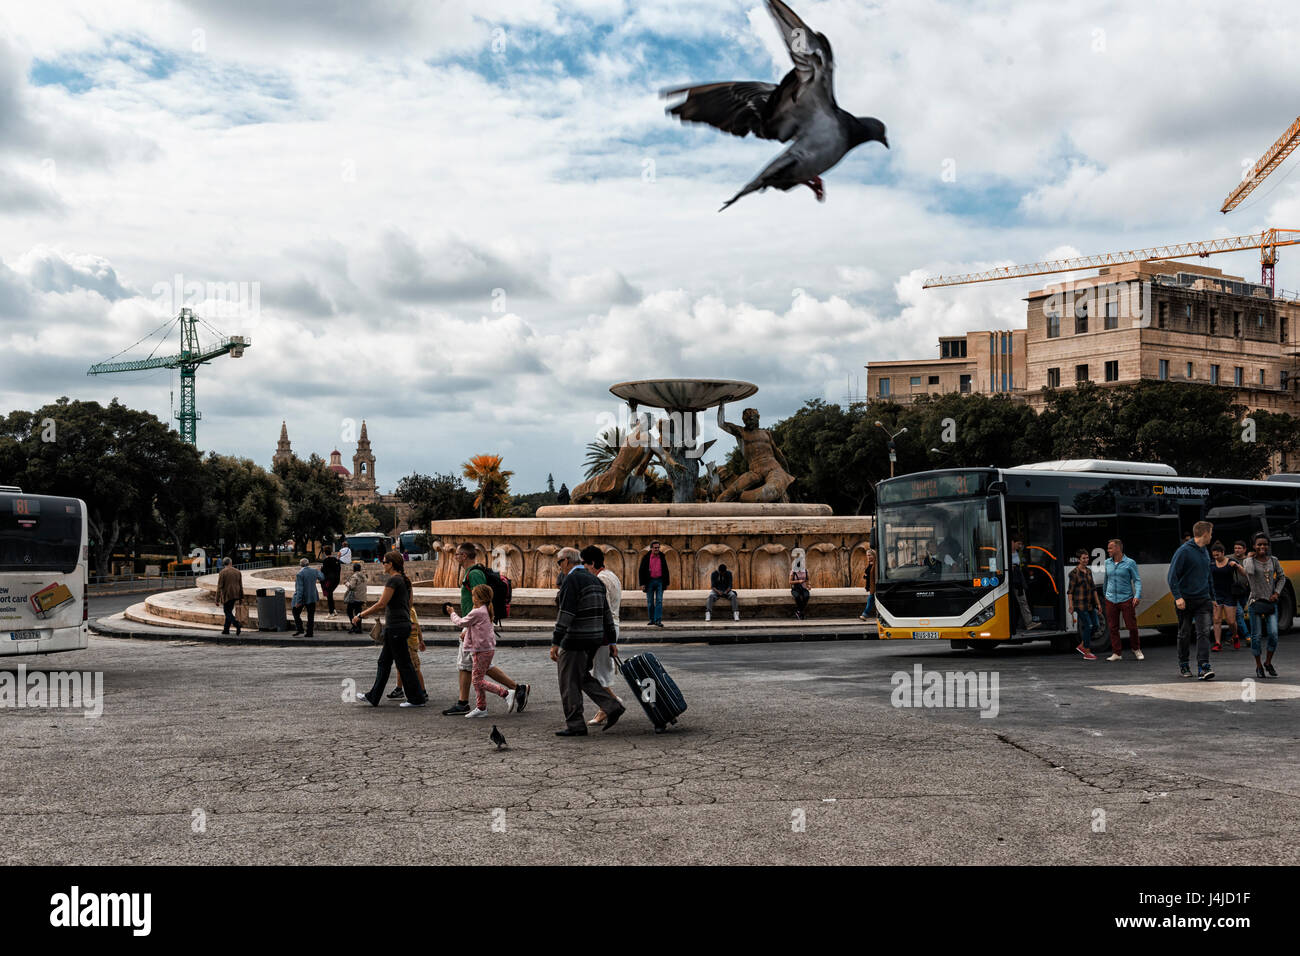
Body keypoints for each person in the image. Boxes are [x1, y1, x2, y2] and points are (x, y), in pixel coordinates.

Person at [440, 543, 528, 715]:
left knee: (468, 666)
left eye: (457, 554)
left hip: (472, 629)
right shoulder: (471, 573)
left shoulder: (474, 574)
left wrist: (468, 627)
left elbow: (482, 599)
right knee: (478, 666)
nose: (455, 557)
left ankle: (466, 702)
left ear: (464, 556)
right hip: (472, 627)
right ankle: (516, 689)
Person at [551, 547, 624, 736]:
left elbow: (566, 614)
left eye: (559, 563)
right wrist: (611, 642)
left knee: (568, 681)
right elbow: (606, 613)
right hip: (595, 638)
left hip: (575, 638)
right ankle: (611, 705)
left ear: (566, 561)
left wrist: (556, 642)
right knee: (582, 676)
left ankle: (575, 724)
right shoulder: (595, 579)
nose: (560, 567)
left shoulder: (571, 580)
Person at [353, 551, 427, 707]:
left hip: (395, 627)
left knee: (403, 664)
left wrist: (360, 615)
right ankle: (373, 696)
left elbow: (381, 603)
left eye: (384, 562)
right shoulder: (406, 580)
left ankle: (417, 698)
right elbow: (410, 604)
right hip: (402, 625)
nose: (383, 564)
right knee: (385, 662)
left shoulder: (393, 581)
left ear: (391, 564)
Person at [446, 584, 512, 717]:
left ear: (479, 598)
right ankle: (481, 708)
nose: (472, 598)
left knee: (477, 681)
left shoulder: (477, 612)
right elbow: (476, 627)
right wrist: (467, 632)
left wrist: (452, 612)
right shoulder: (485, 609)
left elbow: (461, 622)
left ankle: (506, 693)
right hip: (485, 649)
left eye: (473, 595)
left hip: (481, 650)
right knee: (478, 678)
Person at [581, 545, 624, 726]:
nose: (583, 567)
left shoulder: (600, 580)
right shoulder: (612, 576)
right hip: (613, 625)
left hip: (604, 629)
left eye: (585, 563)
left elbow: (602, 608)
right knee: (599, 670)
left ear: (592, 563)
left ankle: (608, 706)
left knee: (599, 672)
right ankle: (612, 703)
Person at [1168, 521, 1216, 680]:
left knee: (1203, 632)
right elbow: (1172, 576)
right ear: (1204, 534)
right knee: (1185, 633)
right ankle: (1184, 664)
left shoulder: (1205, 551)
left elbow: (1208, 575)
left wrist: (1213, 597)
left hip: (1203, 599)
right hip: (1186, 600)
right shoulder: (1184, 551)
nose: (1211, 536)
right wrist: (1178, 597)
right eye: (1211, 533)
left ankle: (1204, 666)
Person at [1242, 536, 1286, 679]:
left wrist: (1277, 593)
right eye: (1259, 544)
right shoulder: (1248, 561)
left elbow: (1282, 577)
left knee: (1273, 634)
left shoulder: (1274, 560)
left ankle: (1267, 662)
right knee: (1256, 636)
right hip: (1255, 603)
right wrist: (1249, 557)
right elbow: (1249, 572)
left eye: (1265, 544)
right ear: (1254, 546)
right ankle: (1258, 666)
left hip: (1270, 603)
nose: (1263, 547)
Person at [1103, 538, 1142, 661]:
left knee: (1131, 626)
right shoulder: (1107, 563)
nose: (1108, 550)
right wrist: (1105, 594)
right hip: (1110, 599)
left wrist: (1137, 595)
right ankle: (1117, 653)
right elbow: (1106, 580)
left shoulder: (1130, 563)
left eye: (1110, 548)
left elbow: (1137, 580)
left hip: (1126, 598)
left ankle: (1136, 649)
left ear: (1118, 548)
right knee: (1113, 627)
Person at [1209, 541, 1247, 652]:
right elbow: (1208, 580)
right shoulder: (1211, 564)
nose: (1216, 557)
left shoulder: (1231, 562)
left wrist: (1237, 566)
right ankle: (1217, 643)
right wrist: (1211, 597)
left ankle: (1235, 636)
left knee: (1231, 621)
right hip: (1217, 595)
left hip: (1230, 594)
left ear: (1223, 553)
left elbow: (1245, 573)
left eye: (1218, 555)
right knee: (1216, 620)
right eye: (1214, 555)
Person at [1066, 550, 1100, 660]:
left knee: (1096, 626)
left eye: (1087, 558)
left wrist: (1098, 604)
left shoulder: (1089, 571)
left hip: (1090, 604)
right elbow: (1070, 591)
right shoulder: (1074, 573)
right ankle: (1087, 651)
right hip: (1079, 605)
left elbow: (1094, 589)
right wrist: (1071, 606)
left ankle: (1082, 645)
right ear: (1078, 559)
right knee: (1088, 625)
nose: (1086, 560)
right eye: (1083, 558)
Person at [1008, 534, 1039, 633]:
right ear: (1012, 542)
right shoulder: (1004, 552)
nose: (1020, 546)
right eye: (1018, 543)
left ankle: (1029, 622)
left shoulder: (1018, 553)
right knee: (1014, 604)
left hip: (1018, 581)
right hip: (1008, 582)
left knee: (1023, 601)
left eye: (1021, 544)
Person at [292, 558, 325, 637]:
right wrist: (320, 571)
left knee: (295, 612)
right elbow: (322, 578)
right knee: (310, 615)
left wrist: (298, 601)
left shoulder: (300, 574)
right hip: (312, 597)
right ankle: (310, 632)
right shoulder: (314, 571)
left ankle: (300, 629)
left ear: (301, 564)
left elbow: (300, 589)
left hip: (303, 597)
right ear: (308, 564)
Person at [639, 540, 668, 627]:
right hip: (649, 581)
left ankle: (658, 620)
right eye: (655, 548)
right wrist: (642, 584)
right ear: (651, 548)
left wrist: (666, 583)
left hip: (660, 581)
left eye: (658, 548)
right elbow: (641, 571)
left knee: (659, 601)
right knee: (650, 602)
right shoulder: (646, 557)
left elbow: (666, 570)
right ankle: (652, 619)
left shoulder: (662, 556)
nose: (657, 549)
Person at [1231, 540, 1252, 648]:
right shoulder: (1229, 558)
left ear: (1244, 549)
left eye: (1239, 548)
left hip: (1244, 591)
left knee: (1237, 615)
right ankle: (1248, 637)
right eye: (1235, 548)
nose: (1237, 550)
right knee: (1239, 614)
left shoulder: (1248, 560)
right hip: (1232, 592)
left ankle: (1229, 635)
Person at [216, 556, 244, 636]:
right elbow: (240, 585)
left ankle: (236, 624)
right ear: (231, 563)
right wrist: (241, 597)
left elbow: (219, 587)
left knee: (227, 611)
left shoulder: (223, 572)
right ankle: (226, 630)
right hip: (236, 594)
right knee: (229, 611)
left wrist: (217, 599)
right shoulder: (237, 571)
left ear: (224, 563)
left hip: (227, 595)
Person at [343, 562, 366, 633]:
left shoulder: (354, 576)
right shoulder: (364, 576)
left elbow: (351, 587)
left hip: (355, 598)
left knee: (349, 611)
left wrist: (346, 583)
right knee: (358, 613)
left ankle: (354, 626)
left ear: (354, 569)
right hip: (362, 597)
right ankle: (359, 628)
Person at [320, 545, 341, 617]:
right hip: (336, 580)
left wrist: (321, 569)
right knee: (330, 594)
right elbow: (338, 569)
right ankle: (333, 610)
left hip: (329, 581)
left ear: (325, 553)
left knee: (329, 595)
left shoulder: (325, 561)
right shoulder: (336, 560)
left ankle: (331, 612)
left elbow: (324, 571)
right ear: (331, 552)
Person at [858, 546, 877, 622]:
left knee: (870, 599)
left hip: (875, 587)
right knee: (872, 600)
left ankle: (864, 614)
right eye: (867, 555)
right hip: (871, 586)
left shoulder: (876, 565)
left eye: (870, 555)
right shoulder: (870, 564)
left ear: (874, 556)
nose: (868, 557)